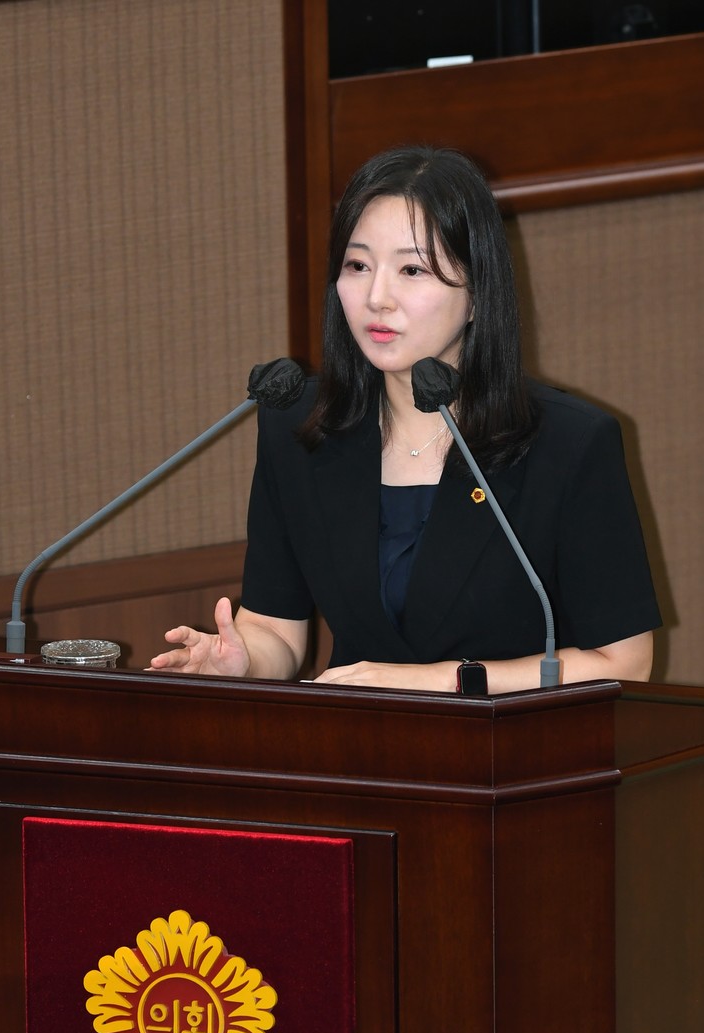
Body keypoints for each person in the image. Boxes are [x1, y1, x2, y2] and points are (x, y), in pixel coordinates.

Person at [149, 146, 661, 693]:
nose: (377, 298)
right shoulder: (298, 425)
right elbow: (276, 628)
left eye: (412, 269)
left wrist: (438, 682)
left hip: (511, 743)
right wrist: (243, 660)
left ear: (477, 294)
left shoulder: (568, 443)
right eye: (358, 266)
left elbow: (624, 663)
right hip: (359, 741)